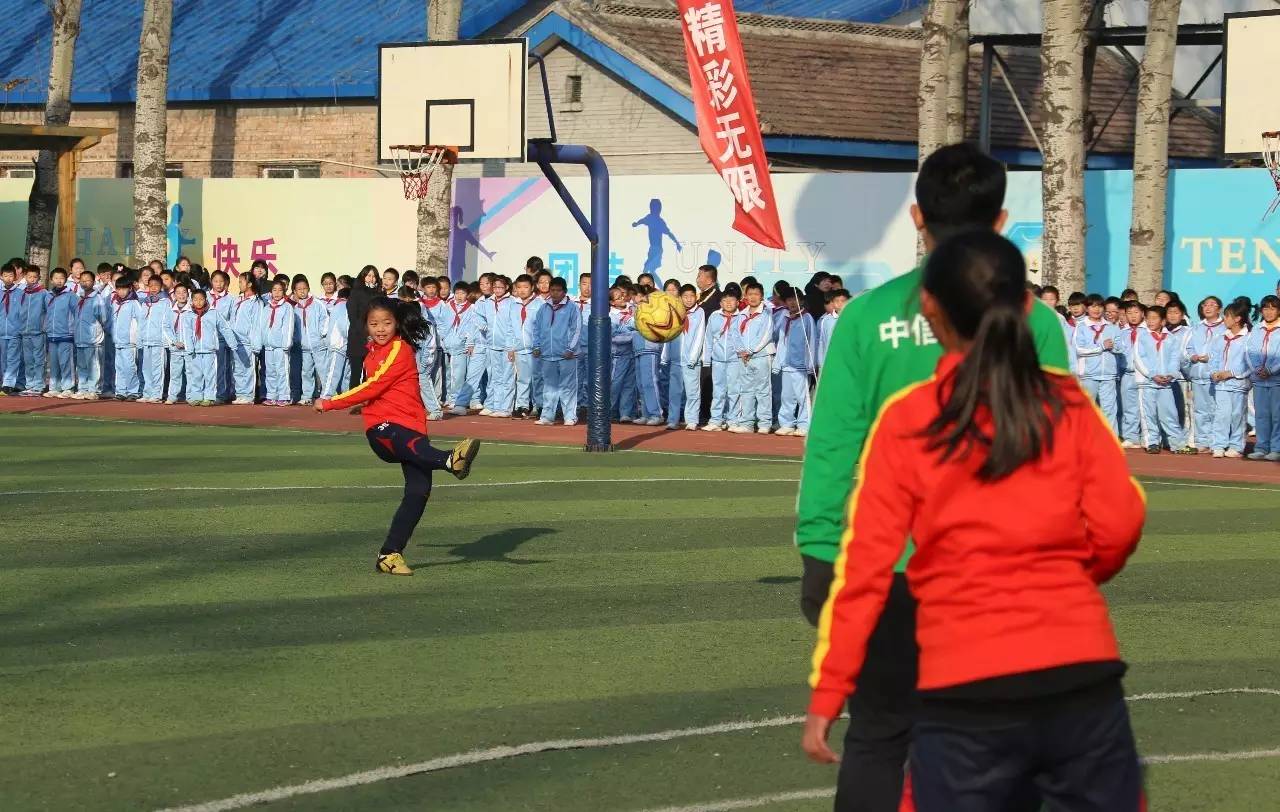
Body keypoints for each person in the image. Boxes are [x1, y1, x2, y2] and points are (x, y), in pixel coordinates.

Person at [803, 230, 1146, 812]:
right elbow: (1120, 523)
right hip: (1079, 673)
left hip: (964, 684)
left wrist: (831, 687)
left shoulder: (909, 420)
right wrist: (1063, 578)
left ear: (931, 310)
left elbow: (866, 567)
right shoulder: (1066, 404)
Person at [794, 143, 1071, 812]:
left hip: (884, 566)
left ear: (918, 217)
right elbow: (1052, 456)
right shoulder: (1033, 322)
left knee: (879, 736)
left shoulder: (867, 317)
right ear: (1000, 223)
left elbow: (834, 444)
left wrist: (821, 552)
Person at [315, 297, 481, 575]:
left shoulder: (398, 349)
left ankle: (389, 554)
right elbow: (372, 387)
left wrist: (331, 402)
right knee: (415, 454)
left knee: (418, 492)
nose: (380, 329)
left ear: (396, 324)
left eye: (386, 323)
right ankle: (449, 460)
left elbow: (374, 385)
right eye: (374, 324)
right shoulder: (375, 353)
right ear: (365, 326)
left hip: (412, 432)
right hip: (384, 429)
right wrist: (331, 402)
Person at [1134, 304, 1194, 454]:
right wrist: (1152, 374)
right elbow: (1139, 358)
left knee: (1169, 413)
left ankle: (1177, 444)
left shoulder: (1171, 338)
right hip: (1147, 383)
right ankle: (1152, 442)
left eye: (1154, 318)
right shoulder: (1142, 336)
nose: (1150, 321)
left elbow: (1175, 359)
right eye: (1148, 318)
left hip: (1165, 383)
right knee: (1149, 414)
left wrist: (1171, 374)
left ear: (1162, 321)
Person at [531, 276, 581, 425]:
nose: (555, 293)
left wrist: (571, 348)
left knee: (568, 386)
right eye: (552, 290)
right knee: (549, 387)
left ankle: (569, 416)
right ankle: (547, 416)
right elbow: (536, 328)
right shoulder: (543, 308)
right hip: (547, 354)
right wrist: (536, 346)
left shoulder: (572, 308)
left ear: (564, 291)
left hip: (567, 355)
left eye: (558, 290)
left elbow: (576, 329)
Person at [182, 289, 242, 406]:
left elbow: (224, 328)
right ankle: (196, 396)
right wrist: (189, 348)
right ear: (191, 301)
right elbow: (186, 332)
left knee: (210, 375)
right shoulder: (188, 315)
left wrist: (232, 343)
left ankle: (209, 397)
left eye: (201, 299)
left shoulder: (213, 313)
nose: (198, 302)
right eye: (195, 299)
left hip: (210, 350)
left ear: (206, 300)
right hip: (195, 351)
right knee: (196, 375)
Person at [1072, 293, 1122, 434]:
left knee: (1109, 409)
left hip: (1108, 375)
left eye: (1099, 306)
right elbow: (1079, 349)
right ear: (1087, 308)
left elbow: (1121, 347)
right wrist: (1101, 347)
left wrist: (1113, 347)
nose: (1096, 309)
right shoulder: (1081, 327)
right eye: (1093, 306)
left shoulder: (1111, 327)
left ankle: (1111, 439)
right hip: (1088, 374)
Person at [731, 282, 775, 434]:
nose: (753, 297)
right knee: (746, 390)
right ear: (745, 296)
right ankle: (747, 423)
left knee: (763, 390)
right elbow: (735, 334)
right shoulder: (741, 314)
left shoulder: (767, 314)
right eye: (750, 294)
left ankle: (764, 423)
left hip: (761, 356)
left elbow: (766, 335)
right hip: (744, 358)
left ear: (761, 296)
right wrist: (741, 351)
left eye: (756, 294)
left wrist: (751, 350)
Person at [1210, 301, 1252, 459]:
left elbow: (1250, 364)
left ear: (1237, 319)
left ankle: (1236, 446)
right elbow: (1213, 358)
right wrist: (1214, 372)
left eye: (1227, 316)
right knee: (1222, 415)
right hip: (1221, 385)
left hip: (1239, 385)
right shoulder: (1220, 337)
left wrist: (1231, 373)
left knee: (1237, 416)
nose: (1224, 319)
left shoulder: (1248, 338)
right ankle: (1218, 445)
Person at [774, 286, 816, 437]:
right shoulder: (785, 318)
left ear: (801, 301)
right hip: (786, 365)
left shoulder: (807, 318)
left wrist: (810, 364)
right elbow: (781, 342)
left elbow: (812, 341)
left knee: (802, 397)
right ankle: (787, 423)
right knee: (786, 396)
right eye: (789, 300)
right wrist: (778, 362)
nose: (792, 303)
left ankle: (804, 424)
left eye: (795, 299)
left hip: (800, 366)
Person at [1184, 296, 1224, 453]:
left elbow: (1225, 350)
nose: (1207, 307)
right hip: (1197, 374)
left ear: (1219, 309)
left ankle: (1216, 441)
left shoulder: (1224, 327)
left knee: (1215, 409)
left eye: (1212, 305)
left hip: (1214, 376)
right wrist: (1192, 356)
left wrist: (1211, 358)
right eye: (1205, 305)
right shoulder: (1197, 327)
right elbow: (1189, 347)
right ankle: (1202, 441)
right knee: (1200, 410)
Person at [1245, 295, 1280, 460]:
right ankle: (1261, 447)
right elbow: (1249, 351)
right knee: (1261, 415)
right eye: (1266, 308)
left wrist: (1271, 370)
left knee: (1277, 416)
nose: (1269, 312)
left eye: (1273, 308)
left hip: (1276, 380)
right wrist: (1258, 368)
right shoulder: (1257, 329)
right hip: (1259, 380)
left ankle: (1276, 448)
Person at [667, 284, 704, 431]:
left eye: (691, 296)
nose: (689, 299)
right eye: (685, 296)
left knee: (692, 391)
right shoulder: (674, 311)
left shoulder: (699, 312)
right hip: (676, 359)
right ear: (680, 298)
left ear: (696, 297)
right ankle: (673, 419)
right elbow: (668, 334)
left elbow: (699, 335)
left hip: (691, 360)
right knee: (674, 392)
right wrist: (666, 355)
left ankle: (692, 420)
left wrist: (694, 357)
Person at [702, 287, 740, 432]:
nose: (728, 303)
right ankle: (716, 420)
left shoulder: (742, 317)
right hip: (718, 360)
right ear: (720, 303)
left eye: (732, 300)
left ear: (737, 302)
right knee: (718, 391)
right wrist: (707, 359)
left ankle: (733, 420)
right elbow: (708, 338)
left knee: (734, 391)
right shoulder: (714, 316)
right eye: (725, 300)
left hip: (735, 360)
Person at [481, 275, 517, 418]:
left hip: (508, 346)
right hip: (492, 345)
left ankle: (506, 407)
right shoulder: (487, 302)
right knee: (495, 377)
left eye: (500, 287)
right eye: (495, 287)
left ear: (506, 287)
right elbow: (478, 316)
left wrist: (511, 346)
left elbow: (513, 325)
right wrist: (483, 326)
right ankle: (497, 406)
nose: (497, 290)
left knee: (507, 377)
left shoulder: (512, 302)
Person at [255, 279, 295, 406]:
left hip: (281, 346)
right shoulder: (266, 307)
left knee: (282, 371)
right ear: (270, 292)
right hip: (268, 346)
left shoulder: (287, 307)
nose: (277, 293)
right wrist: (261, 342)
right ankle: (272, 395)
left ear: (284, 292)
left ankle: (284, 396)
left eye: (280, 290)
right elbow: (262, 326)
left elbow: (289, 326)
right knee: (270, 372)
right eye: (274, 290)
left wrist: (286, 343)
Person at [509, 274, 543, 419]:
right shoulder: (513, 305)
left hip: (535, 349)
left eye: (526, 287)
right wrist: (511, 347)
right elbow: (510, 328)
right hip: (519, 349)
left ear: (532, 287)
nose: (522, 290)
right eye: (519, 287)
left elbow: (543, 327)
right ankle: (521, 406)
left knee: (537, 378)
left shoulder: (539, 304)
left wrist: (539, 346)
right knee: (522, 379)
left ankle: (539, 406)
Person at [72, 268, 108, 400]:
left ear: (93, 282)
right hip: (81, 338)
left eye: (87, 280)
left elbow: (103, 318)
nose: (85, 283)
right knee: (81, 366)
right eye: (82, 281)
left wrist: (96, 331)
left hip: (93, 339)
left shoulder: (97, 298)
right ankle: (83, 388)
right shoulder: (80, 298)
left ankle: (94, 389)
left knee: (94, 366)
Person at [292, 278, 329, 407]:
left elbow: (325, 320)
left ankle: (327, 395)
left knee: (323, 370)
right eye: (299, 289)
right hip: (303, 347)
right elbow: (294, 327)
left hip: (318, 344)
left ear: (308, 288)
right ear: (295, 291)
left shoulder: (318, 304)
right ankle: (307, 396)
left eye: (304, 288)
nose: (302, 291)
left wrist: (321, 335)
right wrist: (297, 340)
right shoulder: (295, 308)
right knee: (306, 371)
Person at [441, 281, 476, 415]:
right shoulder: (448, 306)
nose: (459, 296)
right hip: (448, 344)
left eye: (462, 293)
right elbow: (443, 324)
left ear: (467, 294)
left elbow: (472, 327)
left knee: (459, 374)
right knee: (449, 373)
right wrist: (443, 340)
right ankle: (450, 397)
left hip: (461, 346)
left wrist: (469, 342)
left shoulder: (471, 308)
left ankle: (457, 399)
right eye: (457, 293)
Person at [107, 276, 144, 401]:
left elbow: (141, 321)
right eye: (118, 289)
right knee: (119, 367)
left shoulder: (134, 303)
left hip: (129, 342)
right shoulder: (115, 303)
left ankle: (133, 391)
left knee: (130, 367)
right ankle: (121, 391)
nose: (121, 291)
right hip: (117, 342)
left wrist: (138, 339)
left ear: (130, 288)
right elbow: (111, 320)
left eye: (124, 289)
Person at [1117, 301, 1146, 449]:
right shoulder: (1121, 332)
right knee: (1129, 407)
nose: (1133, 316)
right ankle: (1131, 436)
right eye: (1129, 313)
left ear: (1142, 313)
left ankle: (1148, 436)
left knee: (1146, 407)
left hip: (1145, 375)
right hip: (1127, 374)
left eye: (1136, 312)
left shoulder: (1148, 331)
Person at [44, 268, 77, 398]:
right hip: (52, 334)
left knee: (66, 362)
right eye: (56, 278)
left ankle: (68, 387)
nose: (59, 281)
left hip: (66, 335)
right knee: (53, 363)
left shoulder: (71, 295)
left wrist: (73, 330)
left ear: (66, 280)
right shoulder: (48, 295)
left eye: (62, 278)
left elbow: (77, 313)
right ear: (51, 280)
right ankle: (54, 387)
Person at [231, 276, 264, 404]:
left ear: (249, 284)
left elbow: (257, 324)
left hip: (248, 342)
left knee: (248, 370)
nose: (239, 284)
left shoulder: (256, 302)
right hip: (236, 341)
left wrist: (255, 344)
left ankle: (248, 395)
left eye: (241, 282)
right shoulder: (238, 300)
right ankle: (240, 393)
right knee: (238, 370)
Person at [347, 265, 380, 390]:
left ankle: (368, 397)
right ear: (363, 277)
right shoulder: (356, 292)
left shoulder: (379, 293)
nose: (371, 279)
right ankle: (354, 397)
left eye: (374, 276)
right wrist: (366, 333)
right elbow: (353, 317)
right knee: (356, 372)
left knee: (370, 372)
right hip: (358, 337)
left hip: (375, 338)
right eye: (369, 275)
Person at [18, 264, 49, 396]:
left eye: (34, 277)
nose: (32, 279)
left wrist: (44, 327)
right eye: (29, 276)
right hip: (25, 332)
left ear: (39, 278)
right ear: (25, 277)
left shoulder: (43, 293)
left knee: (39, 360)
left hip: (38, 332)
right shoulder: (22, 293)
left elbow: (49, 311)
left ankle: (39, 385)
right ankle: (29, 385)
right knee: (28, 360)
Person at [138, 275, 170, 403]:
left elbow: (167, 321)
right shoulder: (146, 302)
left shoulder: (165, 301)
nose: (153, 288)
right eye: (151, 286)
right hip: (146, 341)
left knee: (158, 369)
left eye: (156, 285)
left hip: (159, 342)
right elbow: (141, 322)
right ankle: (147, 393)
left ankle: (157, 394)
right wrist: (140, 339)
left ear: (161, 286)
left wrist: (166, 340)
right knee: (146, 369)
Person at [608, 285, 638, 423]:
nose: (622, 299)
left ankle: (625, 413)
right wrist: (633, 335)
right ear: (612, 302)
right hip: (618, 356)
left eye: (622, 295)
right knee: (615, 384)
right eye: (618, 298)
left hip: (632, 353)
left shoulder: (633, 310)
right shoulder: (611, 316)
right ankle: (609, 411)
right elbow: (613, 338)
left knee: (629, 385)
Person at [163, 284, 192, 404]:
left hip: (189, 348)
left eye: (184, 292)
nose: (181, 295)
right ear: (174, 295)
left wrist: (189, 342)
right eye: (178, 293)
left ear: (188, 294)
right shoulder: (170, 310)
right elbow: (166, 327)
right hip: (176, 349)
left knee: (190, 373)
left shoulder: (192, 310)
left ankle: (190, 396)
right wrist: (174, 342)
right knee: (175, 374)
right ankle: (172, 396)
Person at [323, 288, 351, 400]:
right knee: (334, 372)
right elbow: (344, 325)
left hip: (337, 344)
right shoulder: (344, 306)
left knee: (341, 372)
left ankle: (342, 396)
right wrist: (350, 337)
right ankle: (326, 396)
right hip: (339, 343)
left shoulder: (336, 306)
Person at [817, 289, 850, 372]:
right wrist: (821, 364)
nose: (840, 304)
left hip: (848, 364)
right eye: (837, 301)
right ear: (832, 303)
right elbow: (822, 342)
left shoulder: (852, 319)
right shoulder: (826, 320)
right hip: (830, 363)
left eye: (843, 301)